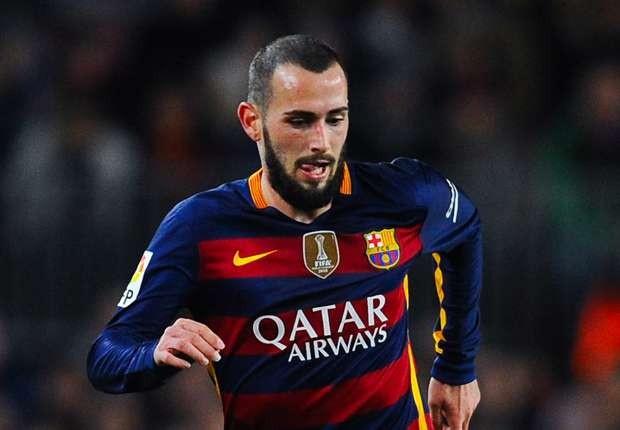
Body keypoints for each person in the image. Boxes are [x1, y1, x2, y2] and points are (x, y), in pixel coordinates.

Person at [87, 34, 482, 430]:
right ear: (252, 121)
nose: (321, 142)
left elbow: (464, 227)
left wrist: (456, 367)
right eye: (300, 121)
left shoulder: (402, 196)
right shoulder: (200, 227)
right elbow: (106, 356)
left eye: (335, 119)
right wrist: (154, 354)